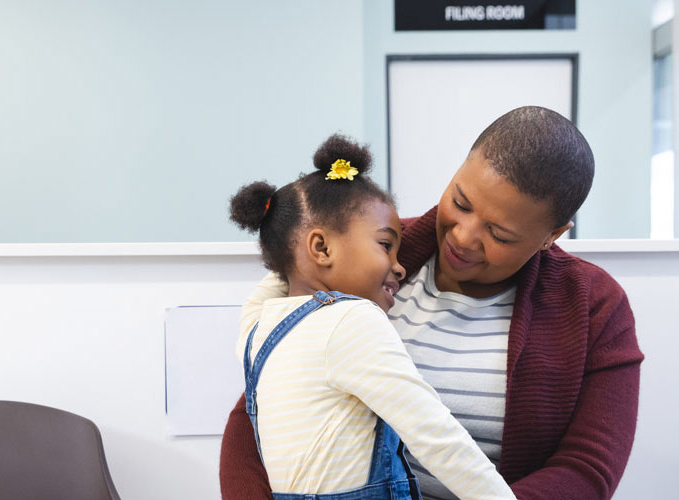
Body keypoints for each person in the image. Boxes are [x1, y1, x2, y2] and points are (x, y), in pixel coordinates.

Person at [221, 107, 644, 500]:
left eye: (499, 234)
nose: (462, 236)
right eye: (460, 202)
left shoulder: (594, 305)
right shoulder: (365, 251)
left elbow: (588, 469)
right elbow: (262, 406)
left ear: (553, 234)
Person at [228, 134, 516, 500]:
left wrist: (293, 242)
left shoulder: (255, 328)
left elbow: (276, 280)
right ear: (321, 247)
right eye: (385, 245)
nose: (399, 267)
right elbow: (435, 434)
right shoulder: (352, 321)